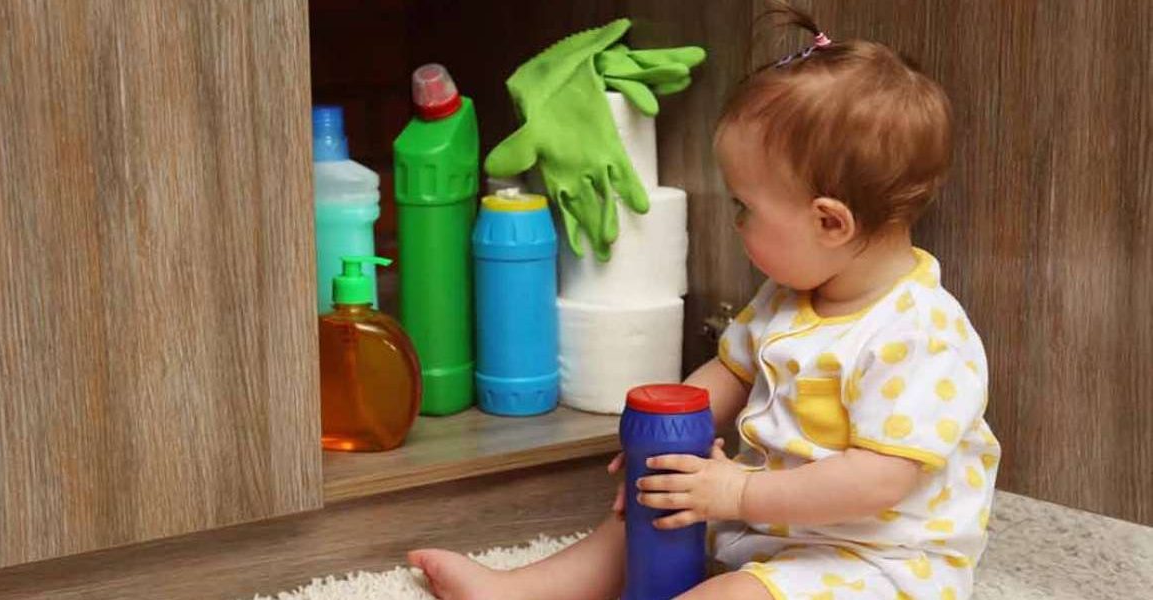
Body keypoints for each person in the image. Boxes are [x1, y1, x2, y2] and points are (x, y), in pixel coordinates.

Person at [410, 4, 998, 598]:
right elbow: (730, 372)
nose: (736, 223)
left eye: (746, 207)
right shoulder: (790, 296)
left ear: (829, 222)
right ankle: (521, 590)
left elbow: (877, 481)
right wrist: (662, 441)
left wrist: (737, 491)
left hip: (874, 559)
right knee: (652, 510)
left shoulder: (919, 334)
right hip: (769, 522)